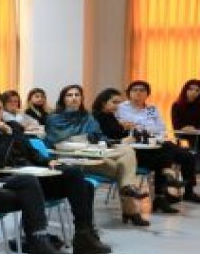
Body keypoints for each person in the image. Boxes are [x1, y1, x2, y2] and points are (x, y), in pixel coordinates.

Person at [0, 92, 111, 254]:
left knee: (76, 175)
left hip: (33, 174)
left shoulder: (14, 126)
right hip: (11, 181)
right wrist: (4, 136)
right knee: (41, 182)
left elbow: (31, 152)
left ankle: (83, 236)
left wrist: (48, 162)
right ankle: (41, 244)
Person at [46, 85, 150, 226]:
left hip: (93, 154)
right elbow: (57, 142)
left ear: (82, 98)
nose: (74, 98)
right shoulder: (54, 118)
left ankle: (128, 189)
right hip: (71, 159)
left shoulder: (86, 117)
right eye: (69, 95)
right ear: (63, 99)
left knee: (127, 150)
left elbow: (100, 137)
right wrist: (85, 142)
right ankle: (131, 210)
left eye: (77, 95)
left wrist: (102, 142)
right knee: (123, 170)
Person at [92, 88, 181, 215]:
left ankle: (164, 186)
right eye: (114, 102)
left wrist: (126, 129)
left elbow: (118, 132)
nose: (118, 106)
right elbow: (103, 139)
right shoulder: (97, 117)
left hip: (128, 148)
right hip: (116, 153)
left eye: (119, 103)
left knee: (165, 147)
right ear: (103, 102)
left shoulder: (110, 115)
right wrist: (123, 138)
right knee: (161, 160)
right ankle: (163, 188)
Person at [117, 81, 200, 204]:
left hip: (156, 141)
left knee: (188, 156)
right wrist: (141, 128)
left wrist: (142, 128)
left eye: (142, 90)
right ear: (129, 93)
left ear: (147, 94)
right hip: (136, 146)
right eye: (135, 90)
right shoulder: (121, 108)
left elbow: (161, 127)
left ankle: (189, 192)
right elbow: (122, 128)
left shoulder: (152, 109)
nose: (138, 92)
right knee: (164, 156)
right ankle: (162, 194)